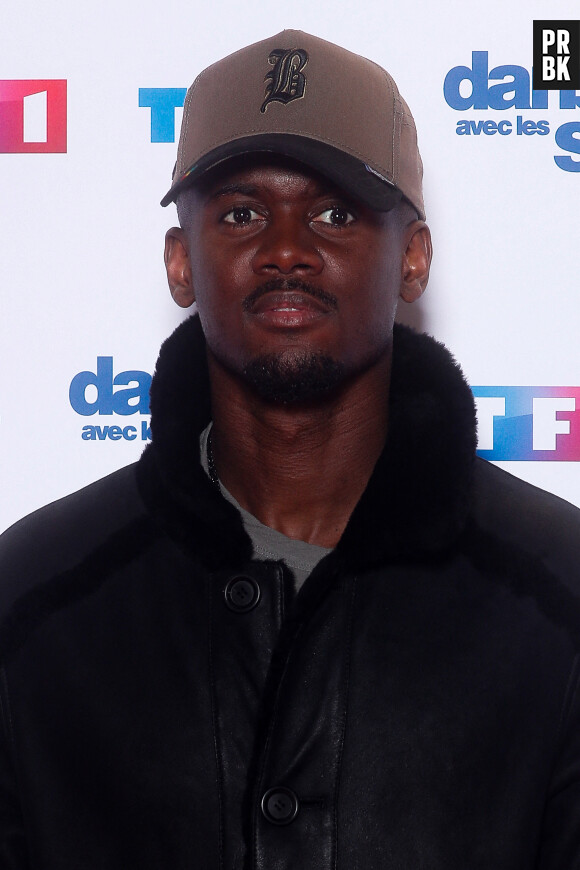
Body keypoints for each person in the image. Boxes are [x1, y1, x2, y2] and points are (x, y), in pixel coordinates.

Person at [1, 29, 580, 870]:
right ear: (181, 265)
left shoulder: (557, 598)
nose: (285, 250)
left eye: (335, 212)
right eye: (240, 213)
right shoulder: (35, 599)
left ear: (412, 257)